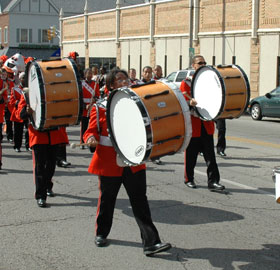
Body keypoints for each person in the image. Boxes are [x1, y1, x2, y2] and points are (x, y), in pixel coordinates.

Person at [84, 68, 171, 256]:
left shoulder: (138, 104)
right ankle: (101, 233)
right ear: (111, 85)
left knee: (140, 202)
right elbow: (91, 130)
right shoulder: (100, 107)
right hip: (109, 162)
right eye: (120, 80)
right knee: (107, 201)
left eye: (126, 79)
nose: (125, 82)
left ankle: (151, 242)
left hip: (134, 161)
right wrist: (90, 138)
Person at [181, 54, 225, 192]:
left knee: (210, 157)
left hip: (206, 125)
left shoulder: (210, 82)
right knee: (191, 156)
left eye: (204, 63)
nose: (203, 64)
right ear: (193, 65)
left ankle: (213, 181)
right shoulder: (187, 82)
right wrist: (190, 102)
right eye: (200, 63)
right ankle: (189, 178)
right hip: (193, 126)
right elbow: (182, 103)